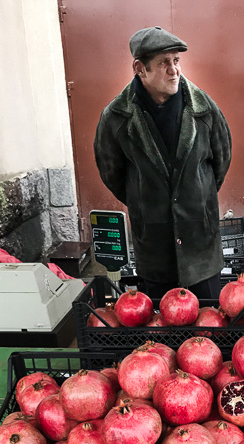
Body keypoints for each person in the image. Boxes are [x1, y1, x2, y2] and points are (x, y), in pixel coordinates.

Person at [94, 26, 232, 299]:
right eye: (164, 63)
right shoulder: (117, 117)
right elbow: (111, 172)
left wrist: (197, 196)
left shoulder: (203, 109)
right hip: (154, 248)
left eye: (176, 60)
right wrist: (146, 202)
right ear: (140, 69)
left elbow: (222, 158)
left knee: (209, 318)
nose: (174, 70)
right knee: (159, 320)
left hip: (200, 244)